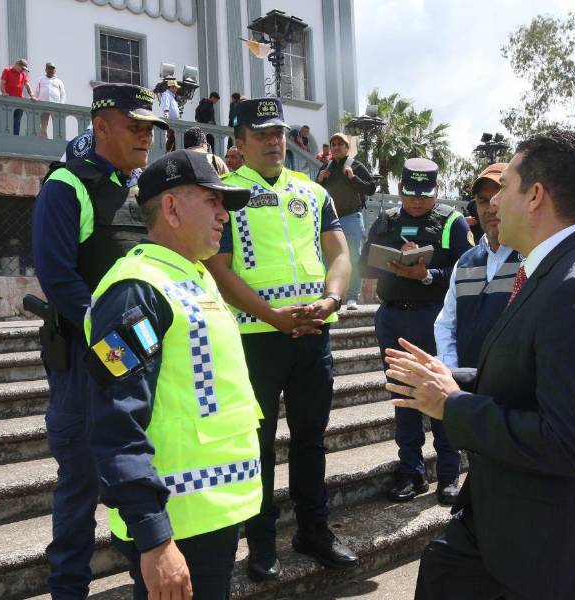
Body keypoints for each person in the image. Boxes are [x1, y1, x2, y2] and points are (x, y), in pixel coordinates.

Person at [386, 130, 575, 600]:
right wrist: (453, 378)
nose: (492, 203)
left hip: (551, 541)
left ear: (534, 195)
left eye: (504, 186)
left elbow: (567, 443)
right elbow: (531, 375)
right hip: (509, 518)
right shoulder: (552, 268)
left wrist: (452, 405)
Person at [85, 149, 261, 600]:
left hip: (208, 514)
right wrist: (154, 537)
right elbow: (115, 421)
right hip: (176, 526)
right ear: (171, 208)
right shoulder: (138, 290)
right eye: (213, 201)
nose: (224, 215)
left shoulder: (193, 277)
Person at [204, 97, 358, 581]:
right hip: (256, 338)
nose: (274, 142)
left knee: (311, 440)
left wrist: (332, 300)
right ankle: (261, 543)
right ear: (240, 141)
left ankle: (314, 530)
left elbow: (339, 255)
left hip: (314, 332)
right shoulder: (225, 193)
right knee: (259, 444)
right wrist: (271, 316)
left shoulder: (313, 192)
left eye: (279, 133)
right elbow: (219, 268)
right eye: (262, 134)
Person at [32, 83, 168, 599]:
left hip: (141, 356)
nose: (145, 137)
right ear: (101, 125)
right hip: (85, 362)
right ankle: (69, 590)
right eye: (135, 126)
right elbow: (58, 278)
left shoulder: (140, 191)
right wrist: (112, 336)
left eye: (150, 128)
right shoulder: (67, 185)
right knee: (81, 484)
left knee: (139, 473)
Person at [360, 158, 472, 505]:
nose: (417, 200)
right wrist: (392, 260)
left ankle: (449, 474)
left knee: (442, 392)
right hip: (393, 317)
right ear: (399, 189)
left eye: (424, 194)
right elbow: (364, 263)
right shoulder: (386, 220)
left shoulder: (452, 222)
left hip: (434, 318)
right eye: (410, 193)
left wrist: (426, 274)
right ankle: (411, 471)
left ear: (436, 190)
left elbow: (467, 271)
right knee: (403, 396)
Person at [434, 162, 520, 371]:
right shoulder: (465, 263)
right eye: (483, 200)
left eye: (499, 197)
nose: (491, 207)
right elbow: (446, 324)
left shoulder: (531, 260)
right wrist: (453, 372)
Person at [316, 132, 377, 308]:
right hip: (330, 221)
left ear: (347, 147)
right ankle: (329, 296)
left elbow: (371, 188)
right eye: (333, 144)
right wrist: (319, 181)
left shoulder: (355, 165)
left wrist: (353, 177)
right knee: (327, 258)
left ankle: (352, 297)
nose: (336, 147)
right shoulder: (325, 167)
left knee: (353, 257)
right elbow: (315, 193)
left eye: (340, 144)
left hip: (351, 218)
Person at [0, 59, 36, 135]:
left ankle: (15, 136)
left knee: (17, 121)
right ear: (17, 65)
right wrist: (3, 92)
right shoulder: (7, 70)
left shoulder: (23, 74)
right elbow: (2, 83)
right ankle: (7, 136)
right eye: (22, 68)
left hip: (19, 101)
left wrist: (32, 95)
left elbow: (27, 85)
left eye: (24, 69)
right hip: (8, 100)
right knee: (7, 120)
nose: (23, 70)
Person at [36, 62, 67, 138]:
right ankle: (44, 140)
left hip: (55, 105)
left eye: (52, 69)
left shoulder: (59, 81)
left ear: (55, 70)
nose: (51, 70)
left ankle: (57, 140)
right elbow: (36, 92)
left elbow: (63, 94)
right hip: (43, 105)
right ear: (46, 70)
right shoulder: (40, 79)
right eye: (49, 68)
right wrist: (35, 99)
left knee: (57, 125)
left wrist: (61, 104)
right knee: (43, 125)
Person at [160, 76, 180, 151]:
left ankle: (169, 152)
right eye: (175, 87)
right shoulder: (167, 94)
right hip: (171, 121)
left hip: (174, 121)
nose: (176, 89)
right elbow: (166, 106)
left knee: (173, 138)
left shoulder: (171, 96)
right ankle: (167, 152)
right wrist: (167, 118)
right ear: (171, 87)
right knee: (171, 138)